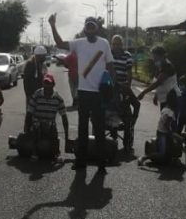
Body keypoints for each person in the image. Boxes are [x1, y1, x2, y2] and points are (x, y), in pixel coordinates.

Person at [49, 14, 115, 172]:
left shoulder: (104, 43)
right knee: (82, 128)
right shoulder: (78, 44)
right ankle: (81, 162)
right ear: (85, 29)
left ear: (96, 29)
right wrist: (52, 25)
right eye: (88, 26)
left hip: (99, 92)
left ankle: (101, 164)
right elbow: (59, 43)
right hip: (84, 92)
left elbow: (111, 65)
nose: (90, 29)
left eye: (93, 26)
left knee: (99, 129)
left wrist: (112, 86)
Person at [24, 74, 70, 160]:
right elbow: (29, 112)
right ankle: (34, 152)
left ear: (53, 84)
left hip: (50, 124)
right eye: (45, 83)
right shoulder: (37, 95)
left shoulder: (58, 98)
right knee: (36, 127)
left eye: (49, 83)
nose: (47, 86)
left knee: (52, 129)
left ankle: (56, 152)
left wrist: (67, 137)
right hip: (37, 122)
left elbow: (64, 117)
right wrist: (27, 128)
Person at [110, 35, 140, 152]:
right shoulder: (108, 54)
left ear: (122, 45)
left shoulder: (127, 55)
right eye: (114, 44)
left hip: (124, 86)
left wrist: (127, 85)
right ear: (112, 44)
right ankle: (113, 133)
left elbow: (129, 73)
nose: (116, 46)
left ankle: (131, 124)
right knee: (113, 105)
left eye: (119, 44)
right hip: (111, 87)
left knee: (136, 104)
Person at [138, 90, 179, 166]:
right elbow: (166, 125)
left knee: (173, 143)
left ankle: (174, 159)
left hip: (161, 131)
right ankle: (144, 157)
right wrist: (172, 134)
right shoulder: (170, 112)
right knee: (162, 153)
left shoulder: (165, 108)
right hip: (163, 133)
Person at [136, 46, 179, 111]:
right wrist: (156, 95)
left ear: (161, 55)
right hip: (165, 98)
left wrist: (143, 92)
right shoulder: (161, 66)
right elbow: (161, 83)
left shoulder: (167, 66)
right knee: (165, 118)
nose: (154, 59)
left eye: (155, 57)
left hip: (171, 98)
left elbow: (158, 82)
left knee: (167, 119)